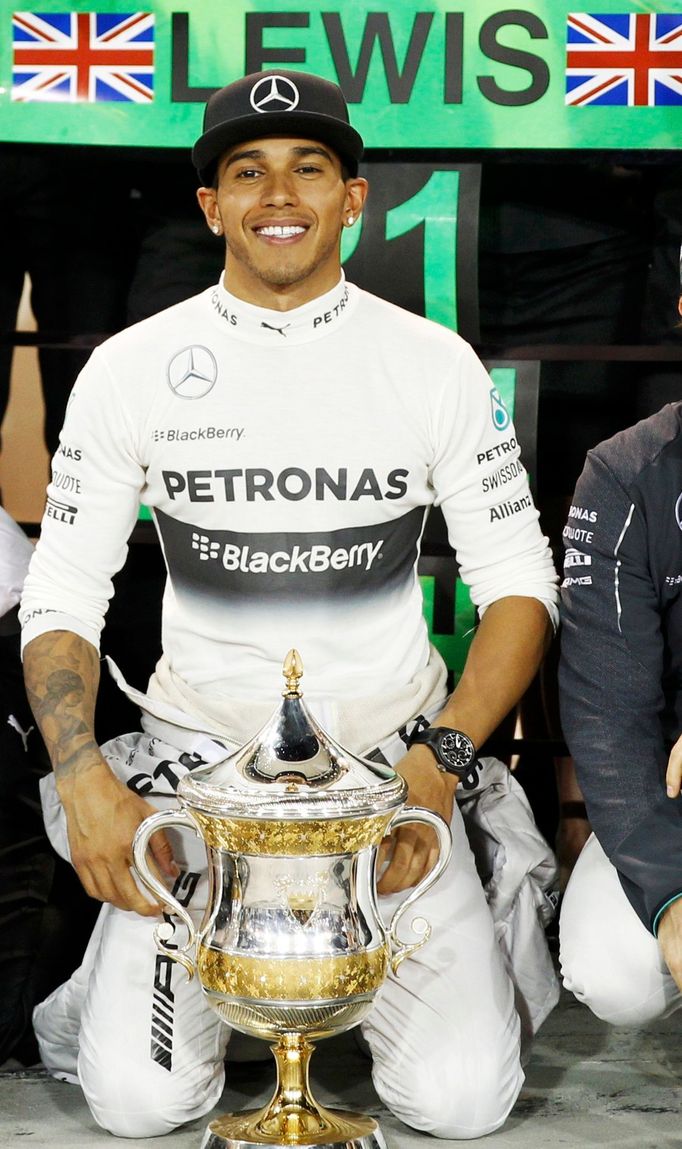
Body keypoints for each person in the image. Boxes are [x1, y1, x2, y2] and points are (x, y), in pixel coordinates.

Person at [20, 69, 560, 1140]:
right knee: (139, 1105)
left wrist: (441, 767)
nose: (281, 193)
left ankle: (467, 927)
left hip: (386, 784)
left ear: (353, 200)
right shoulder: (131, 369)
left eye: (310, 168)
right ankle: (112, 982)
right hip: (199, 791)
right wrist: (82, 774)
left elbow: (519, 586)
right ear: (211, 207)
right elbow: (63, 591)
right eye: (248, 171)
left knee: (458, 1106)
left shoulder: (434, 364)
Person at [559, 401, 682, 1023]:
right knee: (616, 972)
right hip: (671, 789)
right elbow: (609, 708)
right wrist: (673, 895)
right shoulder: (624, 473)